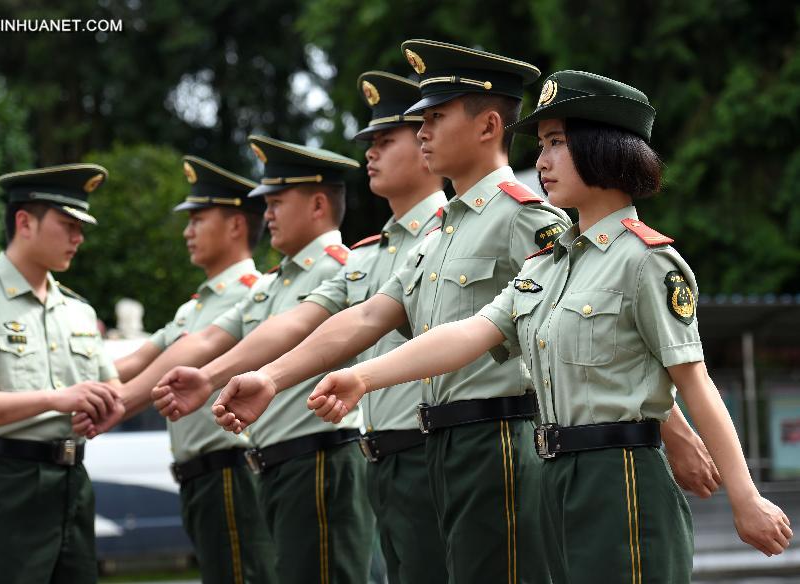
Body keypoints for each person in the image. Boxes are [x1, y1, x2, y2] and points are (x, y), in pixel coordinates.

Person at [206, 40, 721, 582]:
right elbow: (365, 317)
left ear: (487, 125)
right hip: (442, 443)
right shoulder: (437, 233)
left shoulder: (531, 219)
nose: (422, 130)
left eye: (435, 116)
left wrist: (670, 428)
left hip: (500, 438)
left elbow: (601, 336)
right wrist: (270, 377)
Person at [307, 70, 793, 583]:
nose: (541, 161)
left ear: (603, 148)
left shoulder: (646, 261)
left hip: (621, 474)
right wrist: (364, 377)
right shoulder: (546, 266)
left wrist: (746, 498)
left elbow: (694, 383)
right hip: (555, 476)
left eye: (557, 143)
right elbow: (467, 335)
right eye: (541, 144)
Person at [152, 71, 449, 583]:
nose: (371, 154)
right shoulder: (370, 254)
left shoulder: (457, 231)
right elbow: (296, 324)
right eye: (370, 143)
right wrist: (219, 375)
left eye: (385, 140)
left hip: (431, 449)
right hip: (381, 455)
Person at [149, 136, 376, 583]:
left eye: (276, 201)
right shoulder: (272, 283)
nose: (266, 213)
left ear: (317, 206)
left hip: (320, 462)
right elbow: (211, 339)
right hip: (280, 465)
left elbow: (291, 330)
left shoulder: (340, 266)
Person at [0, 164, 123, 584]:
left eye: (81, 226)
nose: (79, 238)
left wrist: (103, 405)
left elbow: (111, 384)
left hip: (74, 481)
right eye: (68, 224)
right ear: (24, 222)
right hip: (7, 481)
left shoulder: (79, 309)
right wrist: (55, 399)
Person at [105, 156, 277, 584]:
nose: (187, 232)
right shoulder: (193, 307)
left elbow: (185, 356)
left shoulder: (256, 294)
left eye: (198, 219)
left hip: (231, 471)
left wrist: (112, 402)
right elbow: (132, 363)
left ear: (237, 225)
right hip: (199, 478)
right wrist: (63, 385)